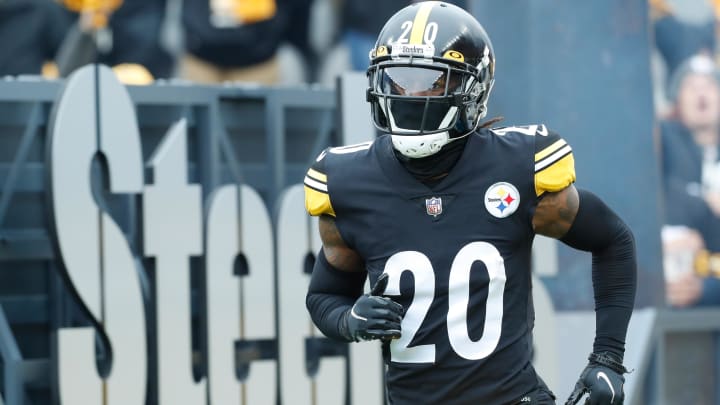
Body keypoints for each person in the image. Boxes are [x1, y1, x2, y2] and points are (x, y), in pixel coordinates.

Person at [303, 2, 637, 404]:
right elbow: (324, 297)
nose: (411, 95)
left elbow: (613, 239)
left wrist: (608, 357)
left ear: (472, 88)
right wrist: (349, 319)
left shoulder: (517, 167)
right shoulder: (350, 182)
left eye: (430, 82)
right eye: (399, 78)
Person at [660, 53, 720, 307]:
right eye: (691, 86)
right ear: (677, 102)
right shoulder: (663, 146)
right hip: (670, 289)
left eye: (709, 85)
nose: (701, 93)